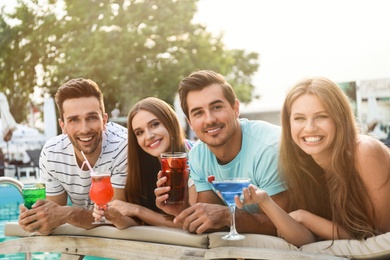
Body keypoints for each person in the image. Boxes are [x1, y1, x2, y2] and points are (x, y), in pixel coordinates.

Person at [237, 76, 390, 246]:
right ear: (288, 124)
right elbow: (306, 241)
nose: (309, 128)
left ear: (340, 119)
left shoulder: (364, 152)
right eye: (299, 118)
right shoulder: (298, 162)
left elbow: (379, 239)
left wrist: (305, 218)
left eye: (321, 116)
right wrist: (265, 201)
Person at [155, 70, 287, 235]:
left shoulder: (267, 149)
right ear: (190, 122)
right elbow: (209, 220)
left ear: (235, 108)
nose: (209, 119)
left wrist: (227, 216)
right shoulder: (198, 155)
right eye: (198, 113)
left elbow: (281, 226)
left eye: (216, 107)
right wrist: (180, 209)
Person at [18, 78, 128, 235]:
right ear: (62, 125)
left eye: (91, 117)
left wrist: (69, 214)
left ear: (104, 120)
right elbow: (52, 218)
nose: (84, 129)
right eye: (74, 120)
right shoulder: (52, 153)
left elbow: (115, 217)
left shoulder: (122, 146)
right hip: (86, 240)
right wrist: (36, 218)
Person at [93, 97, 196, 229]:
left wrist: (137, 210)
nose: (148, 136)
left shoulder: (194, 158)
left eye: (154, 124)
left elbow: (190, 223)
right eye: (139, 132)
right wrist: (113, 215)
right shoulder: (142, 166)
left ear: (170, 121)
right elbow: (137, 223)